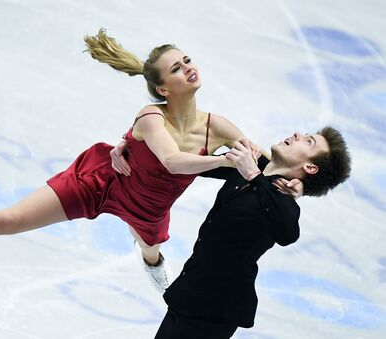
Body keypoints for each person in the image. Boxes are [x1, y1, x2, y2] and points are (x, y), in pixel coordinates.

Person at [0, 29, 298, 295]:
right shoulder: (151, 117)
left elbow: (264, 161)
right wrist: (224, 162)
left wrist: (292, 178)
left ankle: (149, 259)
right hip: (101, 182)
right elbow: (170, 161)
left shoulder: (217, 126)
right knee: (10, 219)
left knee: (151, 249)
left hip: (150, 207)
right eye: (176, 67)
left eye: (186, 60)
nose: (187, 67)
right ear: (162, 88)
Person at [143, 127, 351, 338]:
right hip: (192, 291)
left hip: (214, 307)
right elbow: (191, 161)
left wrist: (253, 174)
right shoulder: (250, 168)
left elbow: (288, 233)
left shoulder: (282, 201)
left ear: (310, 167)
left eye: (308, 142)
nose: (298, 134)